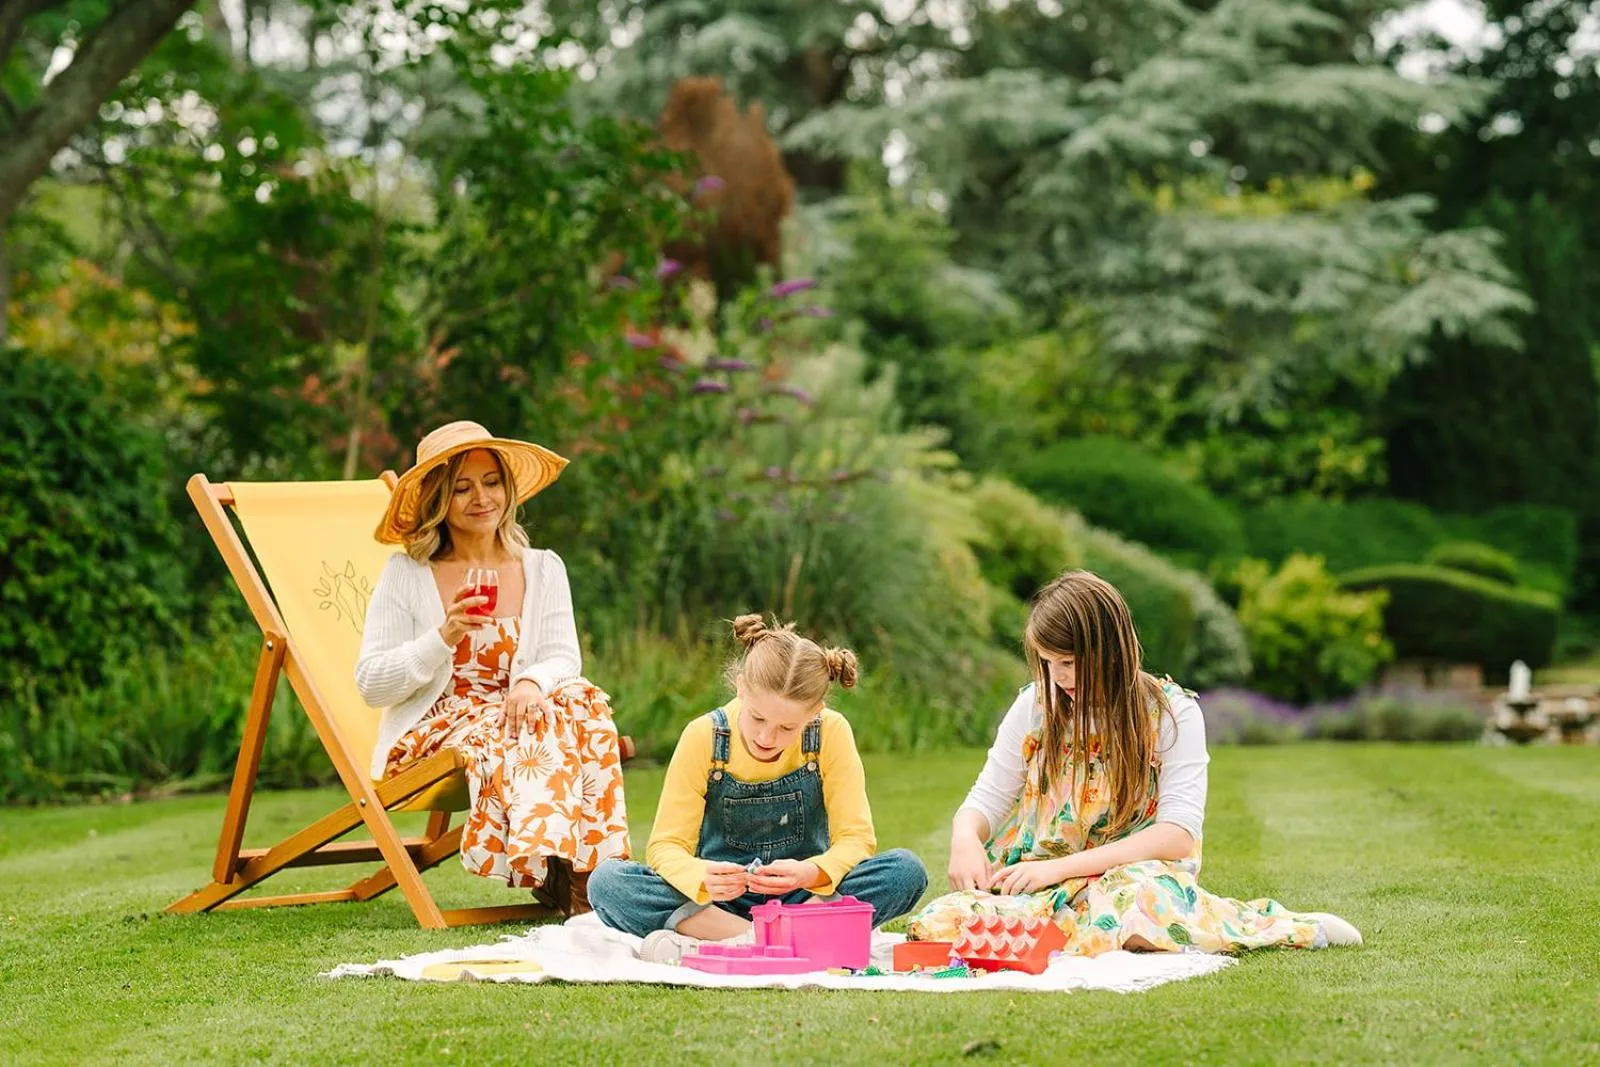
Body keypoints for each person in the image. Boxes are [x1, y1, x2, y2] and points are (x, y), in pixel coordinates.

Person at [909, 570, 1362, 954]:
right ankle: (1082, 934)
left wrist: (1061, 869)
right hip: (1040, 879)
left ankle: (1275, 925)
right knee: (941, 923)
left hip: (1129, 876)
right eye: (1046, 662)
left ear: (1110, 651)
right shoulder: (1035, 705)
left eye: (1068, 662)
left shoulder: (1171, 713)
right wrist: (964, 837)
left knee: (1139, 907)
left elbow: (1177, 835)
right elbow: (988, 796)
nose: (1056, 676)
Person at [354, 420, 628, 915]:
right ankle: (568, 876)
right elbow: (372, 684)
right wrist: (444, 635)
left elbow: (563, 657)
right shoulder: (408, 574)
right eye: (462, 488)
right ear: (439, 500)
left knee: (584, 702)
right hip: (439, 727)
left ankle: (589, 876)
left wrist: (529, 681)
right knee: (532, 724)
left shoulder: (543, 567)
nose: (481, 498)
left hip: (522, 710)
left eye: (491, 482)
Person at [586, 615, 928, 963]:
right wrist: (701, 876)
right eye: (758, 718)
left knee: (905, 871)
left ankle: (728, 943)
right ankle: (778, 940)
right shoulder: (703, 736)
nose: (767, 737)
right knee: (608, 882)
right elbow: (665, 847)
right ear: (741, 688)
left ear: (815, 712)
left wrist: (810, 872)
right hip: (717, 904)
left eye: (787, 727)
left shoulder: (831, 732)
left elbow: (856, 840)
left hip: (804, 898)